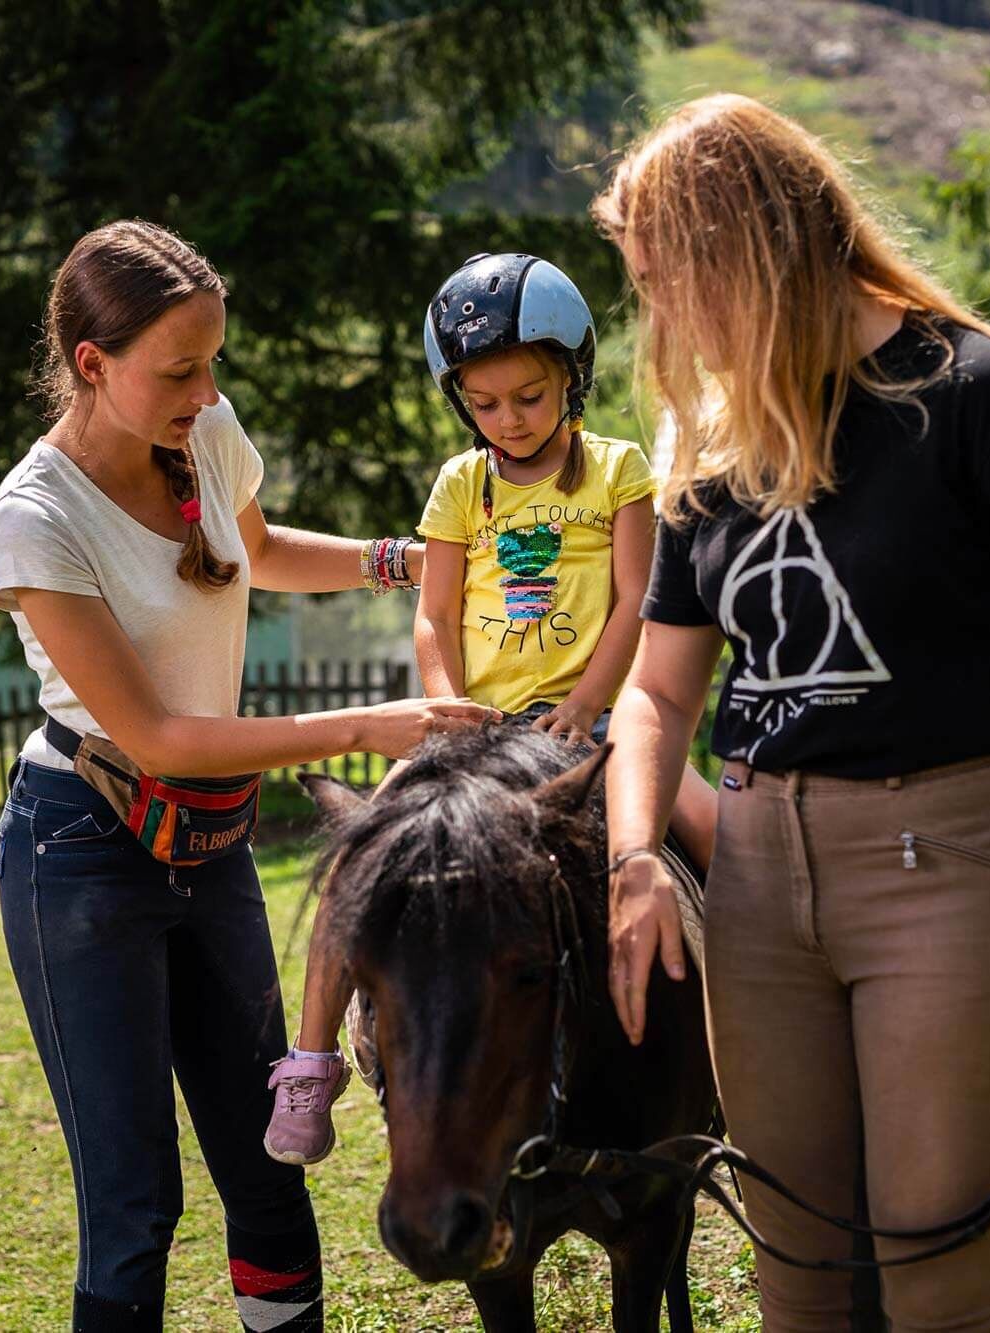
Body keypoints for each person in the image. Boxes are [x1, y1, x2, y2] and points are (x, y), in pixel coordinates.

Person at [592, 95, 990, 1331]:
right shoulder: (711, 430)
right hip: (753, 884)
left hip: (949, 867)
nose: (662, 322)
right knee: (797, 1280)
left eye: (667, 283)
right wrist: (636, 855)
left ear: (742, 252)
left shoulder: (974, 392)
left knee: (937, 1283)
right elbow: (654, 689)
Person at [0, 218, 497, 1332]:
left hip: (204, 844)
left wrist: (406, 561)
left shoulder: (200, 428)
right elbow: (159, 734)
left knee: (268, 1168)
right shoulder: (35, 519)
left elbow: (254, 550)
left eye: (212, 359)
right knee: (134, 1205)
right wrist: (369, 726)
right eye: (179, 367)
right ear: (90, 362)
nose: (205, 387)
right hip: (81, 852)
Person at [263, 252, 718, 1167]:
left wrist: (592, 701)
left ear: (571, 378)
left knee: (721, 833)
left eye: (529, 396)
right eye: (486, 402)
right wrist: (445, 702)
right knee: (360, 850)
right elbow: (434, 610)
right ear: (460, 402)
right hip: (474, 724)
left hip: (598, 716)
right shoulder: (459, 486)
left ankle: (748, 1036)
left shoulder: (619, 472)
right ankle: (310, 1059)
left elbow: (637, 597)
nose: (508, 418)